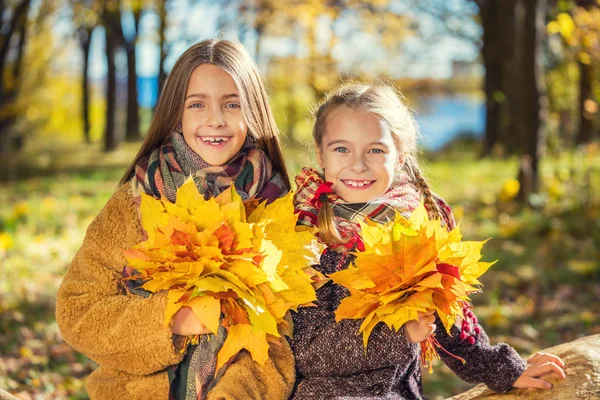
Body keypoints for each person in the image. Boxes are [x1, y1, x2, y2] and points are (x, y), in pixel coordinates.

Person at [290, 83, 566, 399]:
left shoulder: (416, 229)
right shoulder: (306, 236)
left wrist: (507, 370)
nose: (358, 164)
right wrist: (399, 335)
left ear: (401, 155)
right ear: (320, 153)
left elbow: (452, 324)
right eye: (342, 149)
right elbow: (306, 351)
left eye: (375, 150)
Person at [56, 39, 295, 400]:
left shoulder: (274, 207)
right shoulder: (136, 202)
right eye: (197, 104)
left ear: (253, 110)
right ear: (176, 112)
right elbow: (78, 309)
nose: (215, 119)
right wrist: (172, 321)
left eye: (232, 103)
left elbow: (280, 346)